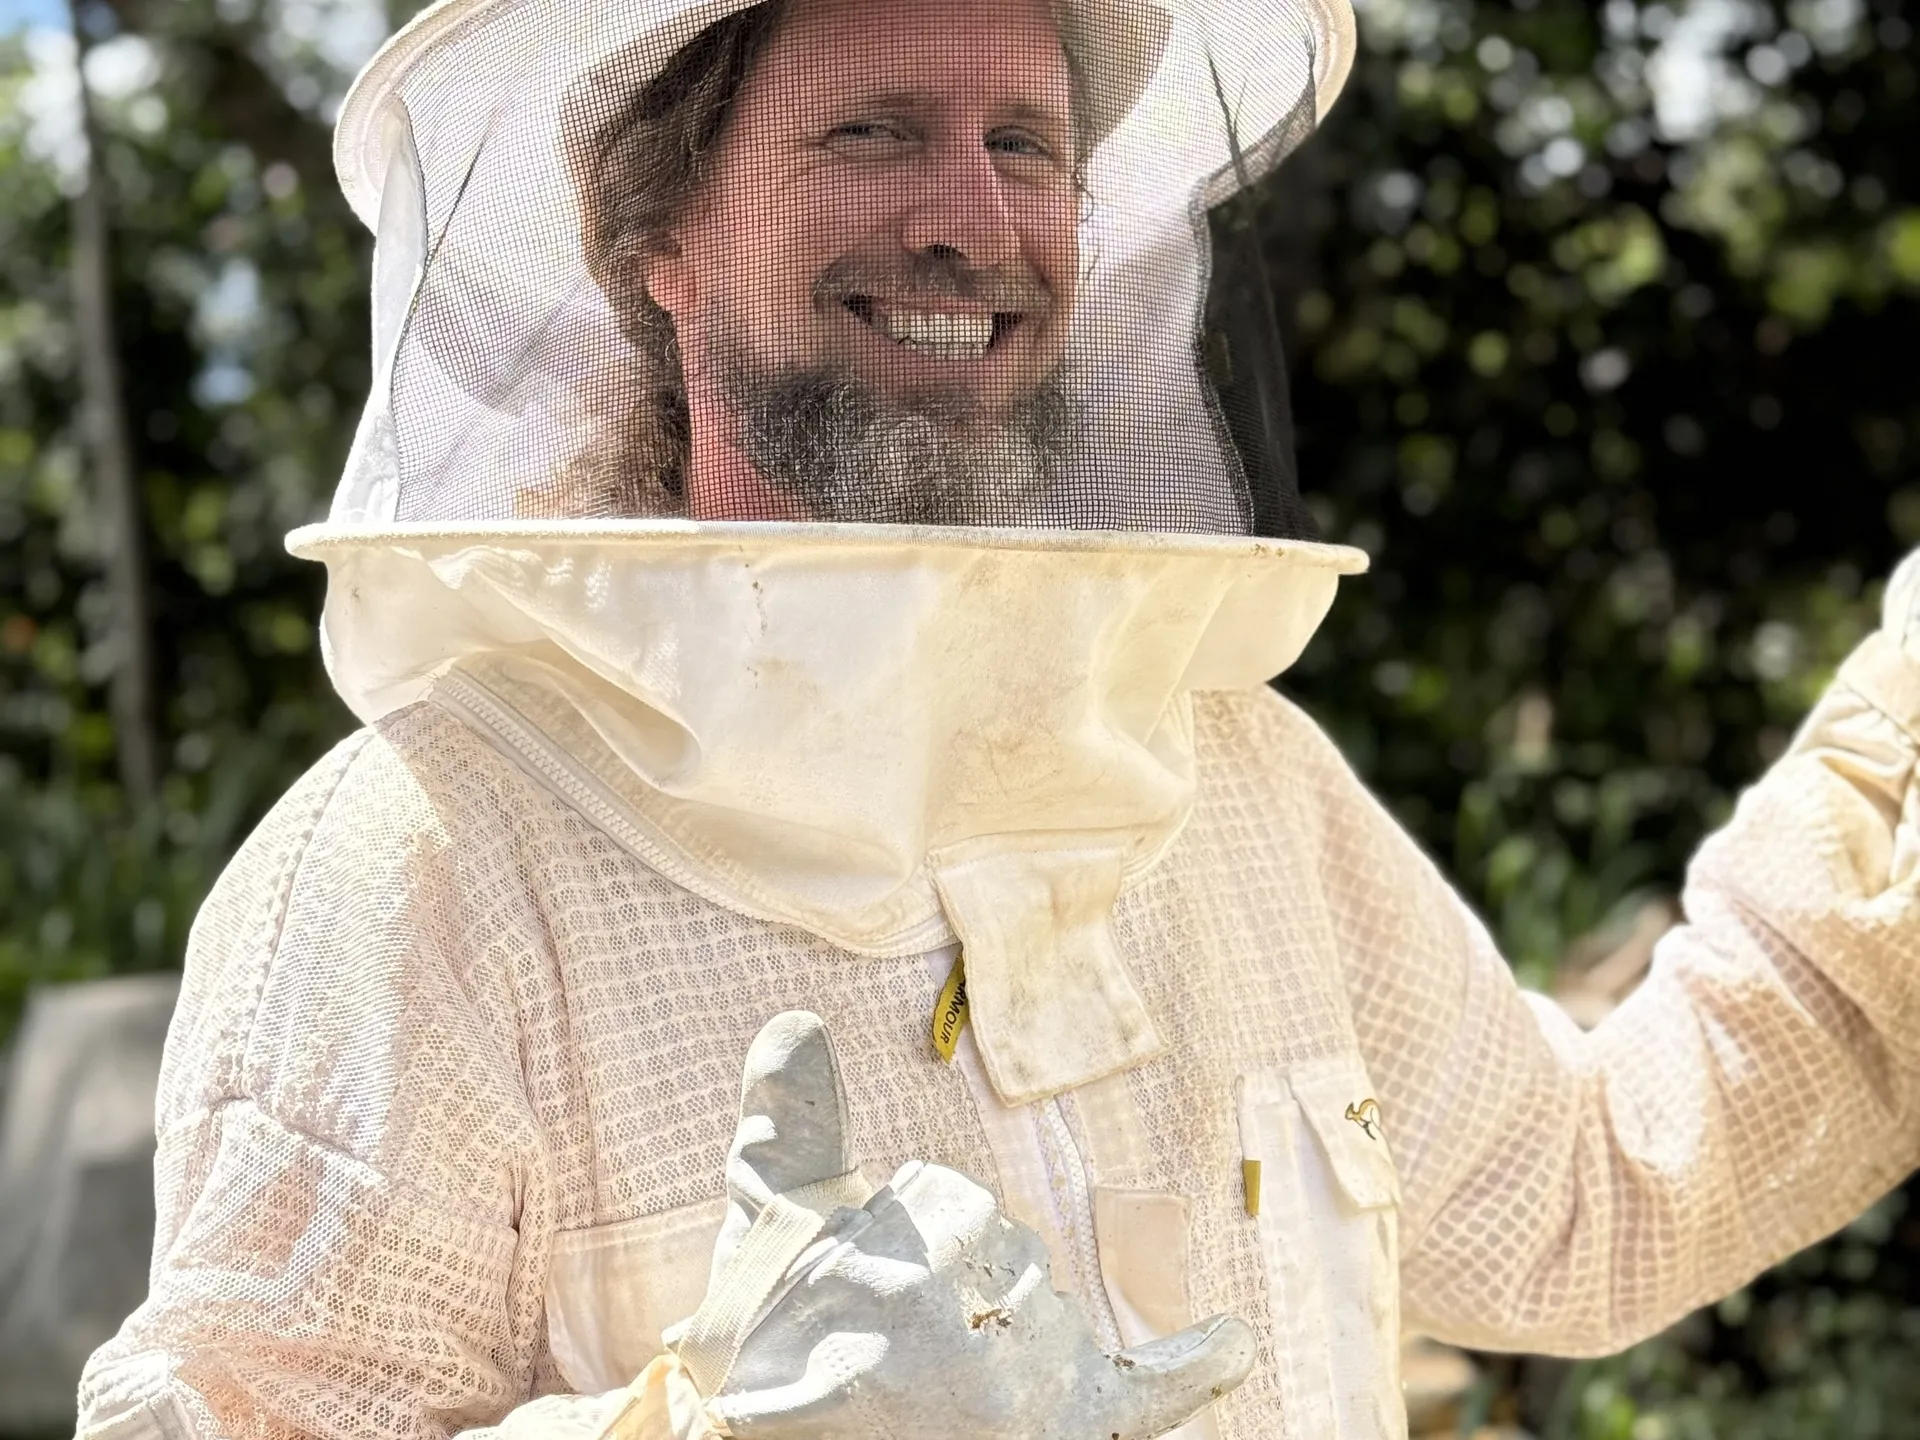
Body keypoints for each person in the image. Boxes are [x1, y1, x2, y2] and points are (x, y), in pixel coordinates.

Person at [74, 0, 1920, 1435]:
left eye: (1025, 145)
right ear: (662, 240)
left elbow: (1594, 1202)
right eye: (872, 130)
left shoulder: (1224, 774)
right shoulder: (420, 869)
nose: (972, 219)